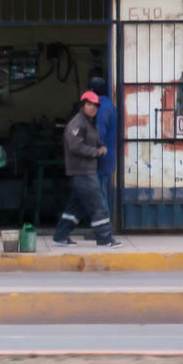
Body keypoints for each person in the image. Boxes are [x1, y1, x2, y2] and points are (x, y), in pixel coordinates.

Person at [52, 91, 123, 248]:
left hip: (85, 170)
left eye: (95, 105)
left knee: (75, 207)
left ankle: (60, 236)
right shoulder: (78, 123)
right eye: (89, 104)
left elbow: (94, 140)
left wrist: (101, 146)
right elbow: (75, 146)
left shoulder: (89, 123)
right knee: (98, 205)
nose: (93, 108)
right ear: (83, 105)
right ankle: (105, 239)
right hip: (82, 171)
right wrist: (95, 152)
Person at [88, 75, 117, 220]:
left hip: (101, 158)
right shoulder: (109, 105)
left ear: (92, 91)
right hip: (107, 156)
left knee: (99, 193)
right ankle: (103, 225)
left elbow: (98, 135)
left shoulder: (101, 109)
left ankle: (103, 226)